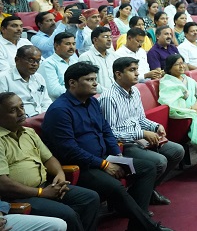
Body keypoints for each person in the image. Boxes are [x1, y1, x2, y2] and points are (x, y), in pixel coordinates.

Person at [41, 63, 173, 231]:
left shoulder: (93, 103)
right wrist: (104, 164)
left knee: (147, 168)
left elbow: (106, 131)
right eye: (89, 80)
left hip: (105, 158)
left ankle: (136, 225)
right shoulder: (60, 110)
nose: (95, 83)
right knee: (115, 186)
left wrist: (118, 156)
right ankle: (148, 227)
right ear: (72, 83)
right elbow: (69, 150)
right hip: (82, 167)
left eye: (95, 79)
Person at [0, 92, 100, 231]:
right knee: (68, 215)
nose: (21, 112)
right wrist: (41, 192)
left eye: (21, 107)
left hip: (46, 185)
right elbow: (3, 184)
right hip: (20, 196)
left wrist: (60, 175)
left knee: (90, 198)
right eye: (13, 110)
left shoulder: (29, 132)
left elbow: (49, 158)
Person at [98, 57, 184, 206]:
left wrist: (155, 126)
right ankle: (136, 201)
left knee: (177, 150)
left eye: (137, 70)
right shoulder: (109, 97)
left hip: (139, 139)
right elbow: (110, 134)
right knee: (160, 161)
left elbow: (140, 119)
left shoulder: (135, 91)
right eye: (132, 70)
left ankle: (146, 191)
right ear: (118, 74)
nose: (137, 74)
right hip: (123, 145)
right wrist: (142, 134)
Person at [0, 46, 51, 117]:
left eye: (38, 61)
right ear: (17, 60)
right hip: (19, 121)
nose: (35, 64)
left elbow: (46, 102)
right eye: (31, 60)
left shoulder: (39, 77)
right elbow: (4, 109)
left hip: (42, 118)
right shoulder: (3, 78)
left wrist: (44, 117)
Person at [78, 27, 119, 94]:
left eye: (110, 37)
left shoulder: (114, 56)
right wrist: (109, 93)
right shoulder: (86, 57)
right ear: (95, 40)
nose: (109, 39)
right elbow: (88, 82)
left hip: (117, 95)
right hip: (97, 97)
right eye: (105, 37)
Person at [40, 33, 80, 101]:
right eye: (67, 44)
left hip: (77, 100)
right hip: (60, 104)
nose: (71, 47)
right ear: (56, 46)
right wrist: (80, 90)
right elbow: (54, 91)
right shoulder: (48, 63)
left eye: (73, 44)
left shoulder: (75, 61)